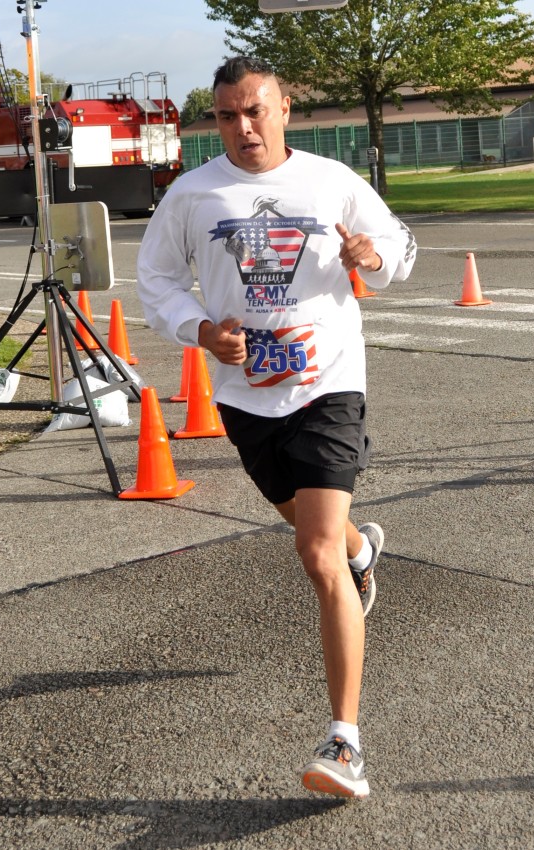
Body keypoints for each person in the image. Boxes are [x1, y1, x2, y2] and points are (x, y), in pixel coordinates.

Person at [137, 56, 416, 798]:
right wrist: (200, 330)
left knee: (313, 552)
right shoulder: (193, 195)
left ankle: (345, 743)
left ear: (285, 107)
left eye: (256, 111)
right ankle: (363, 549)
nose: (243, 128)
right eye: (227, 116)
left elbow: (397, 252)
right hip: (245, 397)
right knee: (318, 532)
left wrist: (373, 255)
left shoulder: (329, 181)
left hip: (328, 388)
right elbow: (156, 280)